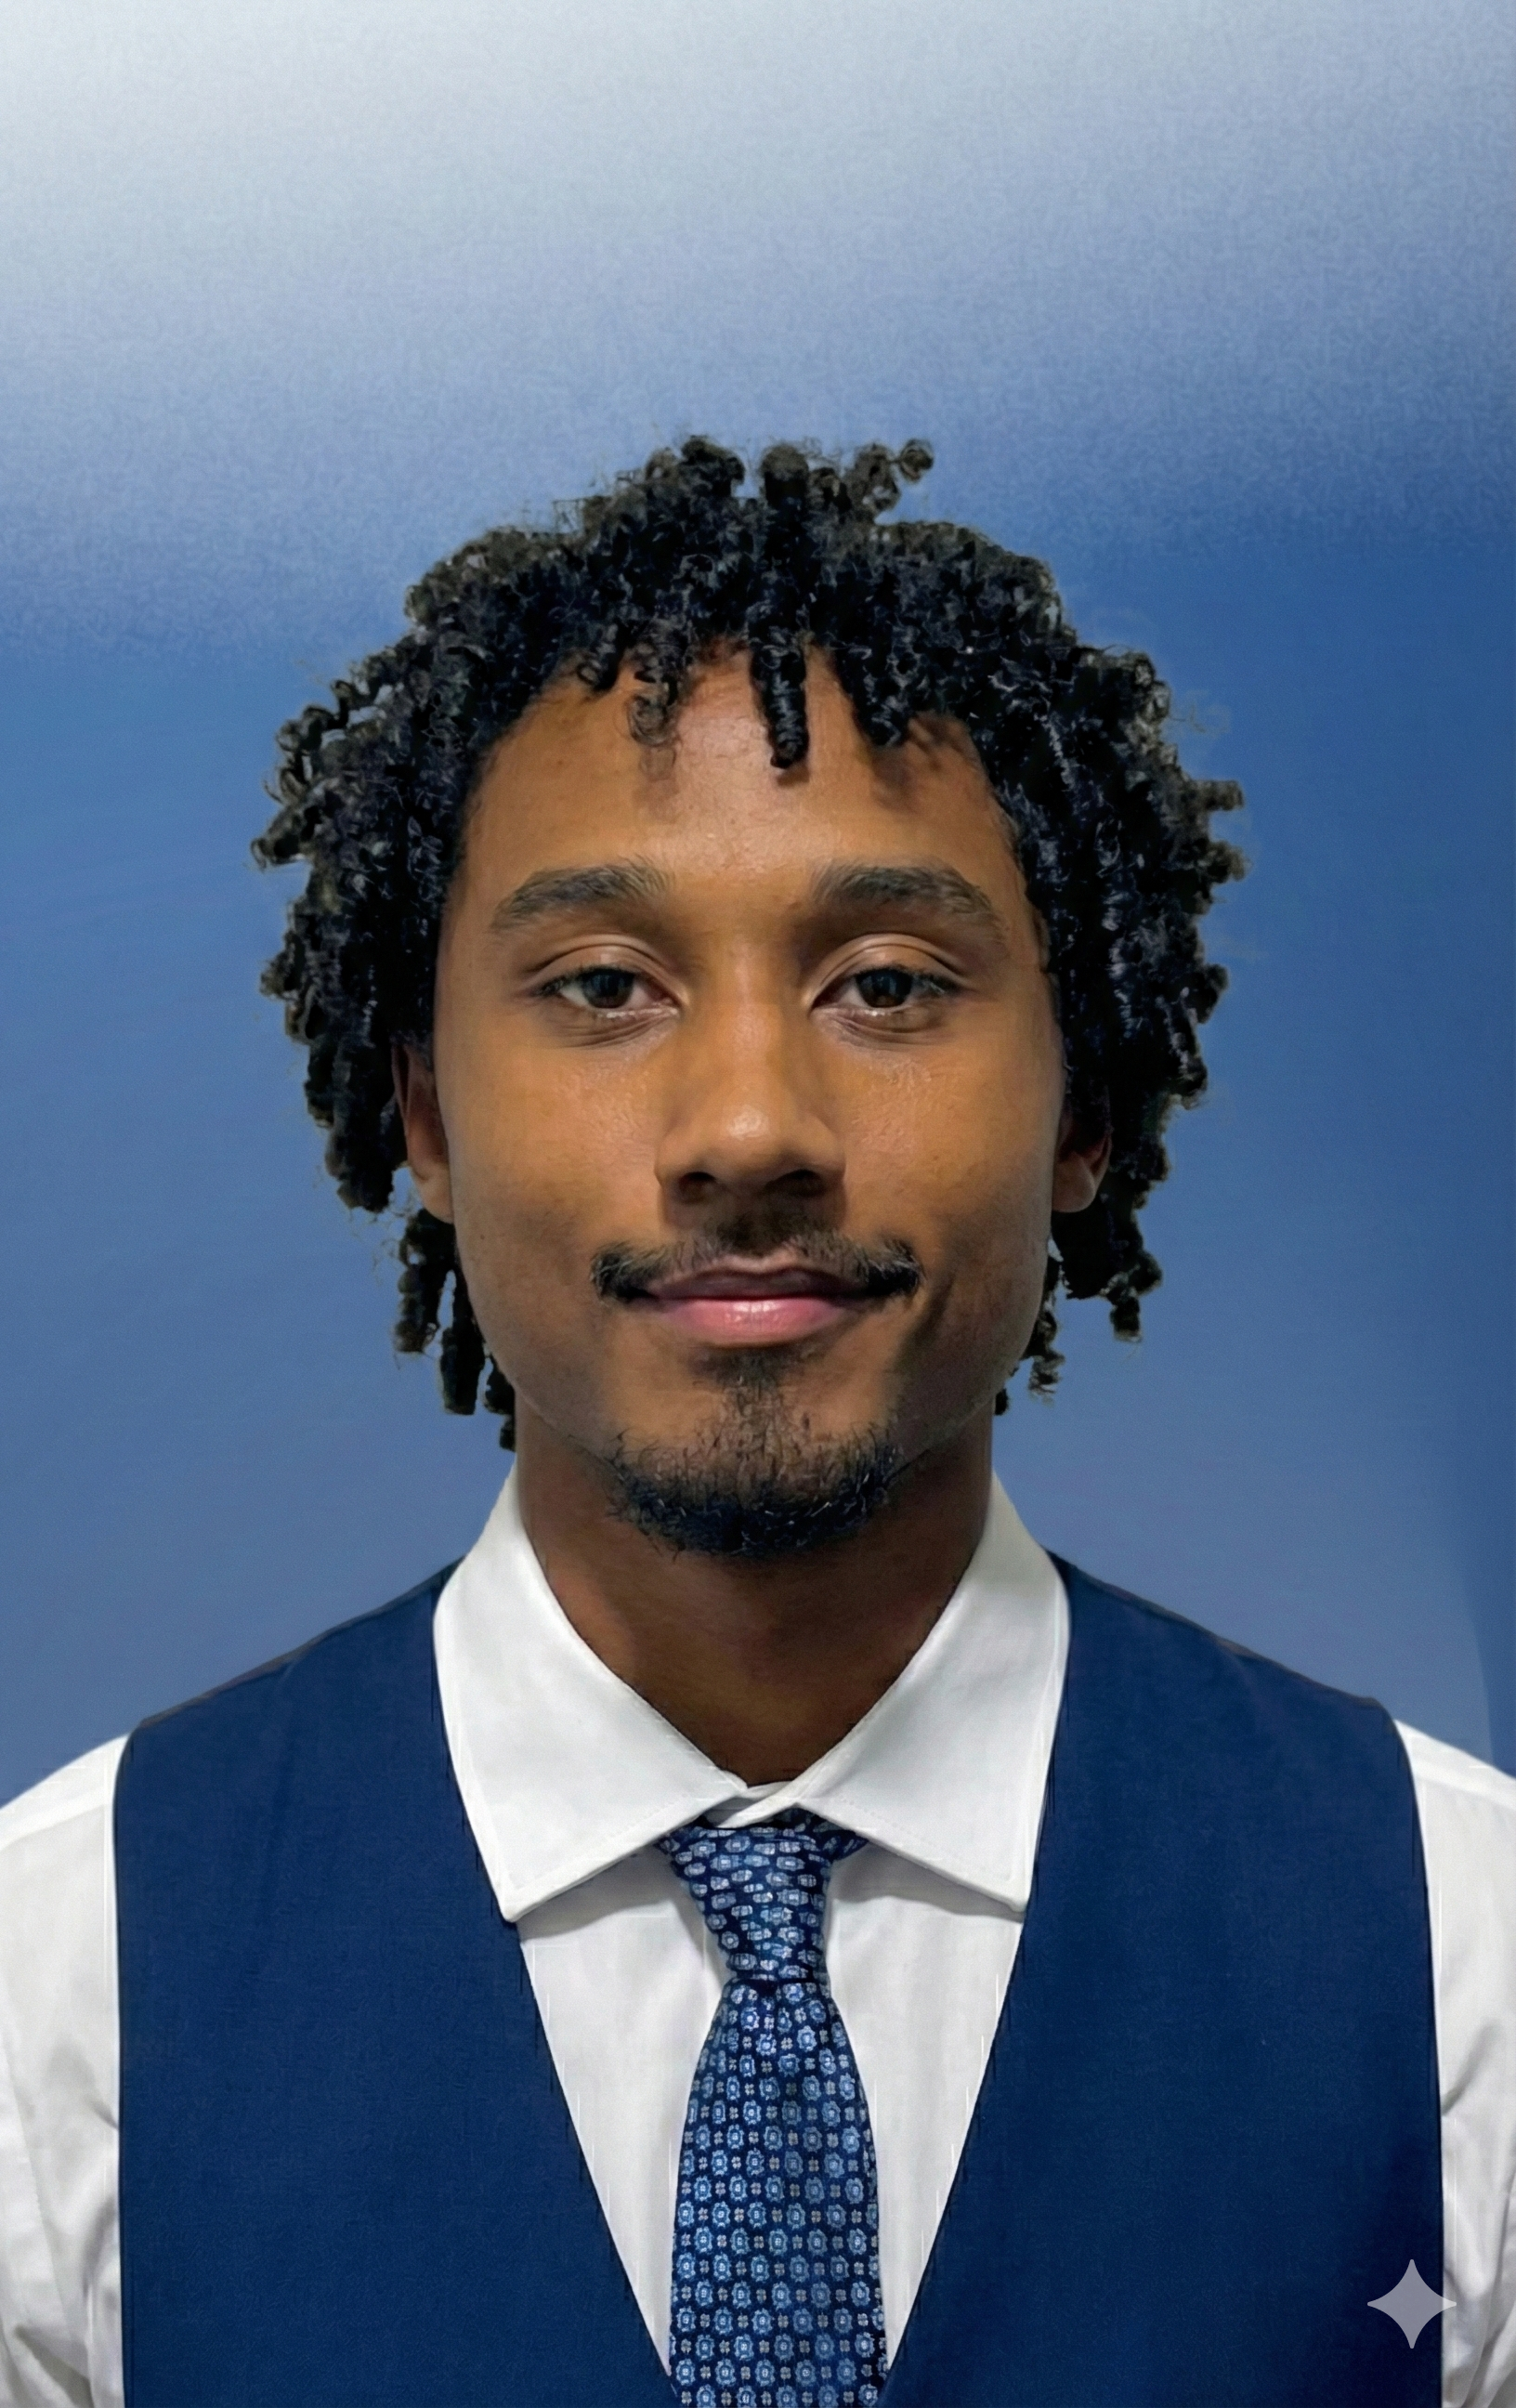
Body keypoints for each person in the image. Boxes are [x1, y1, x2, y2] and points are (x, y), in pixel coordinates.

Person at [0, 439, 1510, 2408]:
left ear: (1088, 1111)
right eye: (605, 986)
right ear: (428, 1121)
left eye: (886, 984)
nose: (747, 1133)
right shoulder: (61, 1995)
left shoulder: (1457, 1952)